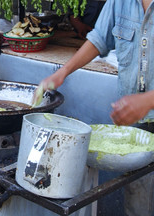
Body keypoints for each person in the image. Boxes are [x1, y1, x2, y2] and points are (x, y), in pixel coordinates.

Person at [34, 0, 154, 215]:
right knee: (138, 193)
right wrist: (63, 72)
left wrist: (148, 100)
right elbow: (99, 39)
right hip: (137, 121)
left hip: (143, 108)